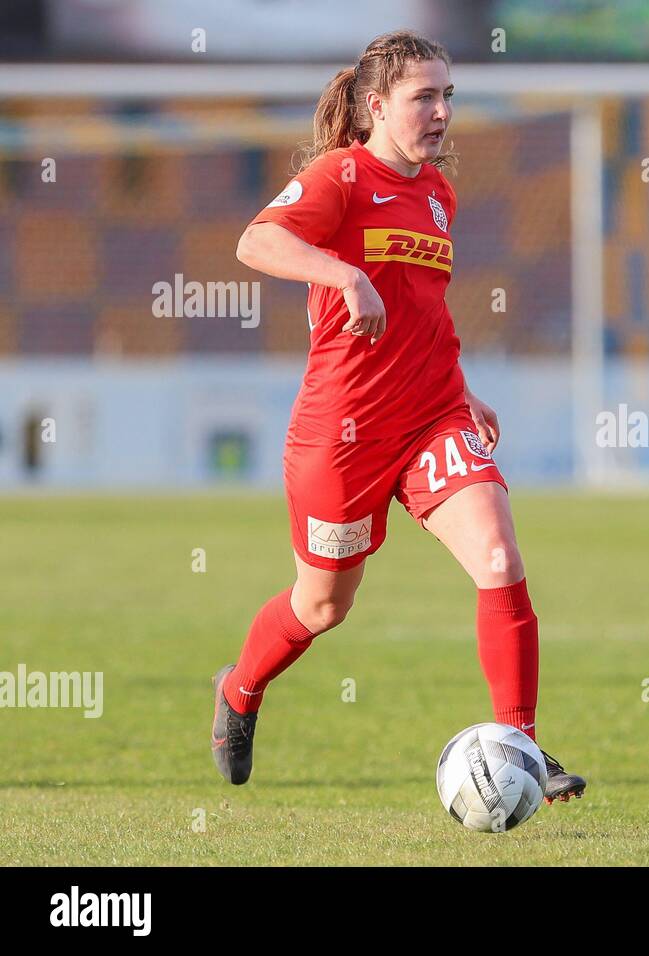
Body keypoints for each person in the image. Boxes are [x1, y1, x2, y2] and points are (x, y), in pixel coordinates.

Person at [210, 30, 585, 801]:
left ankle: (521, 747)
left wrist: (462, 387)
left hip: (432, 416)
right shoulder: (341, 175)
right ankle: (241, 688)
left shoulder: (439, 196)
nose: (442, 111)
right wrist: (342, 272)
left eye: (448, 95)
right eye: (425, 97)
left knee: (498, 558)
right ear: (377, 105)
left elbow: (425, 312)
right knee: (322, 606)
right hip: (341, 434)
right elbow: (255, 241)